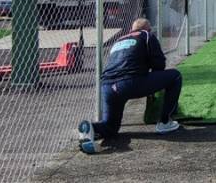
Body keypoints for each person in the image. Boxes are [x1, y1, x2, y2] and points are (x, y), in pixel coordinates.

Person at [77, 18, 182, 154]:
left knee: (111, 127)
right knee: (175, 76)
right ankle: (165, 121)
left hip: (108, 86)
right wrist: (153, 87)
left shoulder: (118, 40)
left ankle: (90, 129)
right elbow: (159, 65)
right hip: (131, 83)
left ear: (131, 30)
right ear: (148, 29)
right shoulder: (147, 35)